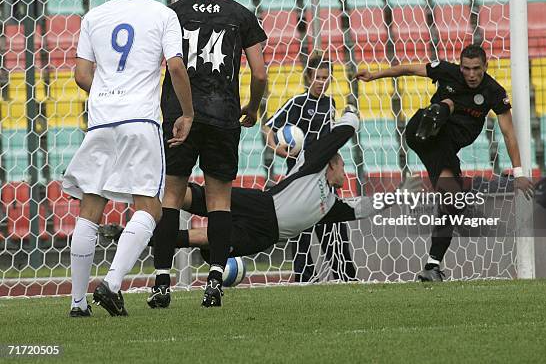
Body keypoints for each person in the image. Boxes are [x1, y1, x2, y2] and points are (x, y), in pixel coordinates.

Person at [108, 107, 374, 304]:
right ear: (331, 164)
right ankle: (143, 188)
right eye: (343, 166)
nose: (345, 173)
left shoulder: (330, 205)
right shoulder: (313, 166)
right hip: (262, 206)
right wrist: (351, 114)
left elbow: (361, 209)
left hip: (264, 237)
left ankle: (132, 237)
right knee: (200, 199)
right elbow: (340, 134)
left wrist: (399, 198)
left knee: (202, 239)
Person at [62, 0, 193, 317]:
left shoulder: (94, 17)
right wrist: (187, 112)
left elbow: (81, 74)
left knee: (91, 206)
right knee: (149, 207)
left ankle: (77, 303)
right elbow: (177, 67)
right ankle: (112, 283)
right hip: (141, 120)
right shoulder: (163, 14)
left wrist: (107, 93)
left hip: (102, 118)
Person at [149, 0, 267, 308]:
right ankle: (215, 279)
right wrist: (252, 106)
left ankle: (161, 283)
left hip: (180, 115)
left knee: (169, 196)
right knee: (219, 199)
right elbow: (260, 72)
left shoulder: (173, 13)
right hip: (224, 114)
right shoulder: (240, 14)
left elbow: (161, 64)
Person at [356, 44, 534, 281]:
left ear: (486, 66)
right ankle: (433, 121)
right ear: (460, 66)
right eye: (466, 68)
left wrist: (519, 172)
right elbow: (409, 69)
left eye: (476, 69)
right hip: (421, 130)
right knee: (447, 103)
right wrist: (374, 75)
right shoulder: (448, 72)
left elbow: (509, 134)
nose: (471, 74)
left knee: (451, 202)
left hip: (443, 150)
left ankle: (432, 267)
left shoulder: (494, 92)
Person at [262, 53, 357, 282]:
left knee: (333, 227)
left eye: (326, 78)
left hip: (323, 177)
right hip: (298, 176)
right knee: (300, 231)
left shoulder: (330, 104)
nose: (321, 83)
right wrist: (276, 147)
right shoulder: (297, 103)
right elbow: (267, 127)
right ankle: (305, 278)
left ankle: (345, 275)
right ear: (308, 77)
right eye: (317, 77)